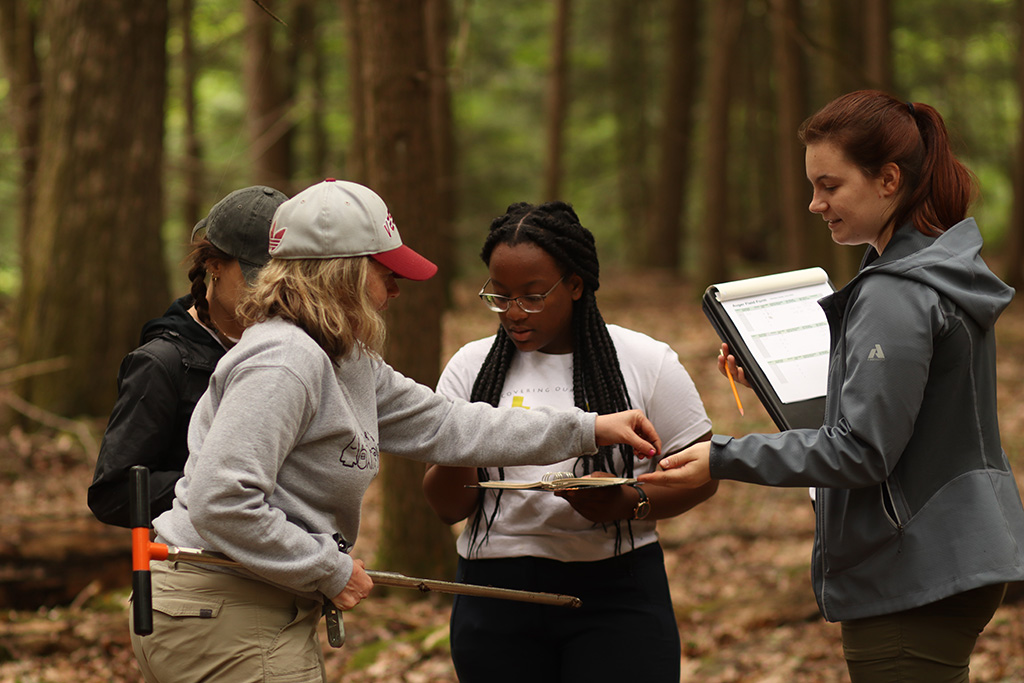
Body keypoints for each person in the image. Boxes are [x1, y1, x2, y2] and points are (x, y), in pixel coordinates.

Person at [128, 179, 662, 683]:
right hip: (221, 608)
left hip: (251, 603)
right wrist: (328, 569)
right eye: (387, 272)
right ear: (343, 271)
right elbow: (222, 500)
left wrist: (589, 428)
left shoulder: (341, 358)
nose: (398, 288)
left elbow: (450, 423)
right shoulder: (284, 361)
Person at [640, 90, 1024, 682]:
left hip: (910, 564)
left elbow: (862, 450)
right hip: (961, 544)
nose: (814, 204)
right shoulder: (943, 270)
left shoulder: (893, 291)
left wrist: (720, 458)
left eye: (830, 185)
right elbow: (910, 411)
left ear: (889, 179)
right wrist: (775, 384)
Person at [421, 201, 716, 683]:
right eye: (500, 296)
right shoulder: (470, 369)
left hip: (617, 590)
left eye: (533, 296)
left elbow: (701, 476)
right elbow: (444, 507)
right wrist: (469, 443)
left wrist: (630, 501)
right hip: (495, 595)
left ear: (575, 285)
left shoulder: (645, 361)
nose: (514, 313)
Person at [88, 185, 287, 528]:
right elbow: (113, 493)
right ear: (214, 265)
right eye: (256, 279)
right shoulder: (161, 363)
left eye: (281, 281)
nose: (268, 294)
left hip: (283, 557)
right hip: (194, 565)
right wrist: (213, 487)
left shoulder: (290, 353)